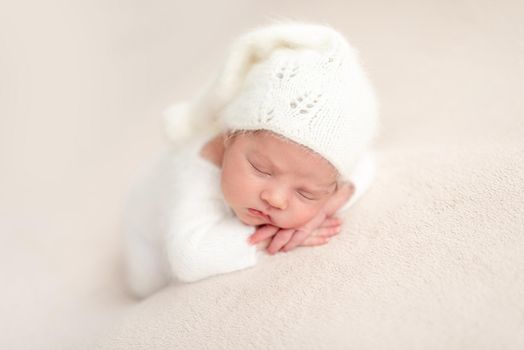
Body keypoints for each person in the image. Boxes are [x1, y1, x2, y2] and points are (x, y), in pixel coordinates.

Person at [123, 21, 379, 298]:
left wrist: (327, 205)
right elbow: (188, 258)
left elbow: (366, 162)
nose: (276, 199)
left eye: (305, 193)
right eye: (261, 169)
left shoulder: (319, 172)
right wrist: (269, 237)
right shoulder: (196, 170)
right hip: (147, 227)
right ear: (229, 137)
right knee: (146, 283)